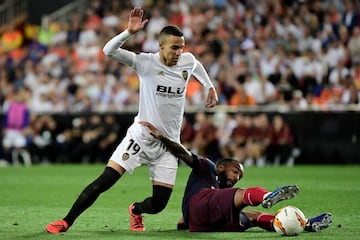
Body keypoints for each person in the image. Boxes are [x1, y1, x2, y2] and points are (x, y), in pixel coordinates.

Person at [45, 6, 218, 233]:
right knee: (105, 180)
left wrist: (209, 86)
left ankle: (136, 210)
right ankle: (66, 221)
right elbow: (108, 51)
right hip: (141, 137)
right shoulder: (146, 63)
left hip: (169, 146)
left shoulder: (187, 61)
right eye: (174, 48)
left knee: (158, 205)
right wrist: (128, 32)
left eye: (181, 48)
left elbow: (196, 65)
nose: (178, 52)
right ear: (161, 46)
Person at [140, 121, 332, 233]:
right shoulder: (208, 168)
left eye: (240, 175)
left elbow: (182, 222)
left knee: (254, 217)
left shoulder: (220, 193)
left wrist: (185, 222)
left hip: (204, 223)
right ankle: (267, 197)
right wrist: (163, 138)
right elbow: (184, 154)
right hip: (202, 204)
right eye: (235, 171)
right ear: (221, 167)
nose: (237, 176)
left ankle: (303, 224)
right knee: (240, 194)